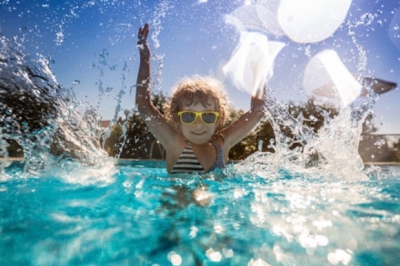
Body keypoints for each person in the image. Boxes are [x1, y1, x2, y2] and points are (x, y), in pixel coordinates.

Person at [136, 23, 265, 174]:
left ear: (218, 118)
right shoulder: (175, 143)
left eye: (208, 116)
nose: (198, 124)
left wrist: (259, 72)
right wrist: (145, 58)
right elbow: (143, 105)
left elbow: (258, 111)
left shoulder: (222, 144)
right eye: (189, 115)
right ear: (178, 119)